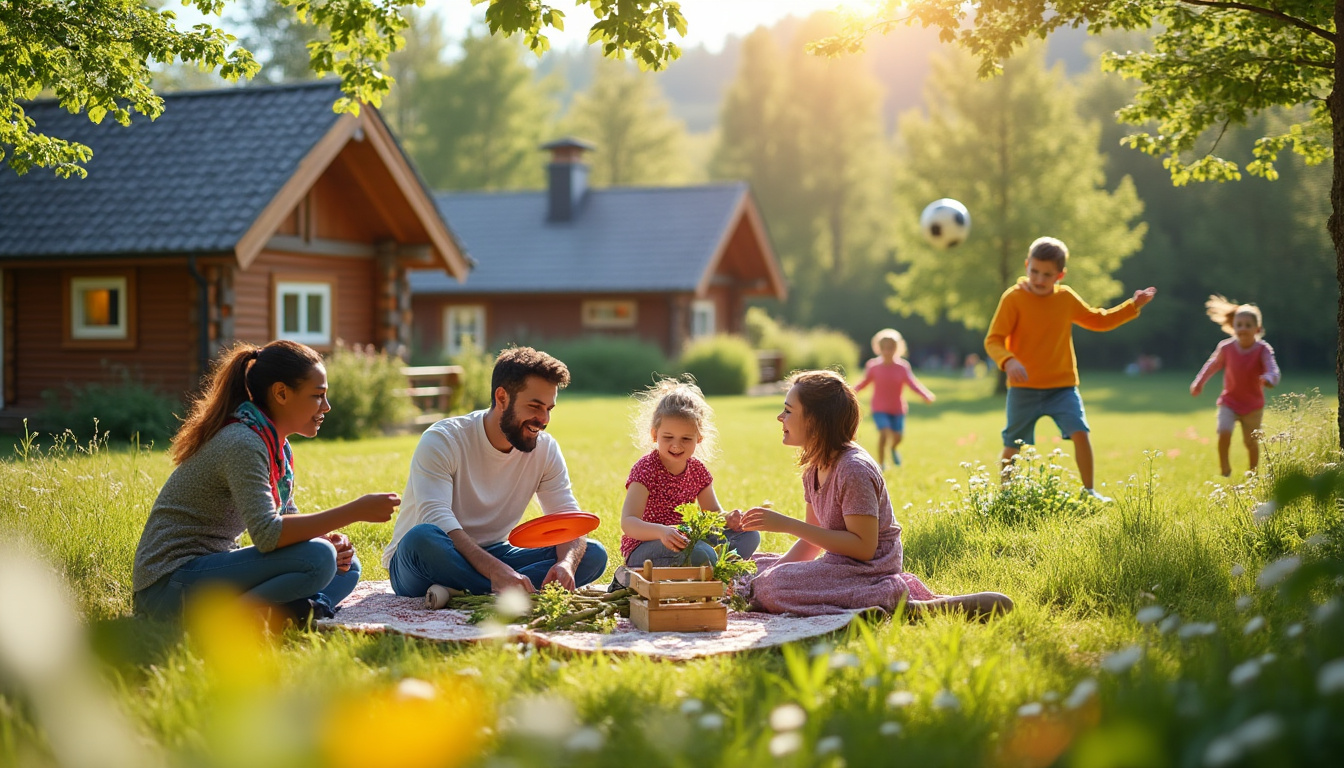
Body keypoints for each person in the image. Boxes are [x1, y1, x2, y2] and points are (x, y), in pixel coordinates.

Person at [132, 341, 400, 622]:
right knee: (319, 558)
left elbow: (286, 519)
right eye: (317, 396)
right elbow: (268, 534)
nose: (327, 406)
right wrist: (354, 511)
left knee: (347, 565)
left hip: (209, 574)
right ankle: (238, 621)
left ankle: (296, 612)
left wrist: (328, 540)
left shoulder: (277, 446)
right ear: (282, 393)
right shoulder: (243, 443)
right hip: (167, 588)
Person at [738, 370, 1013, 618]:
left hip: (870, 569)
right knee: (756, 568)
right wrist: (768, 574)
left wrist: (786, 527)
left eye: (788, 410)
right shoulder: (814, 466)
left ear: (815, 422)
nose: (780, 417)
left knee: (772, 588)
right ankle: (861, 597)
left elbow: (863, 547)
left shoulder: (853, 469)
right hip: (837, 565)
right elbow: (812, 541)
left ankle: (896, 600)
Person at [384, 347, 607, 598]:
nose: (543, 419)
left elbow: (567, 518)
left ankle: (468, 590)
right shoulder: (443, 439)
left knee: (591, 554)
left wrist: (566, 564)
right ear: (502, 398)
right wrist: (496, 571)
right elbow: (436, 518)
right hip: (425, 560)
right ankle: (500, 588)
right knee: (422, 538)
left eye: (549, 409)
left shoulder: (545, 449)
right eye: (534, 406)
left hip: (494, 553)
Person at [984, 236, 1157, 502]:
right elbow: (993, 339)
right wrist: (1009, 360)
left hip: (1062, 387)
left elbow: (1099, 320)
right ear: (1027, 264)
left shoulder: (1065, 298)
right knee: (1012, 445)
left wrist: (1132, 306)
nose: (1040, 279)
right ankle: (1005, 496)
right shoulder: (1013, 298)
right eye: (1034, 271)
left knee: (1080, 432)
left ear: (1060, 275)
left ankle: (1089, 491)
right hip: (1024, 389)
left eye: (1047, 274)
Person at [611, 378, 760, 589]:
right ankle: (712, 572)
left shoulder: (697, 471)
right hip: (646, 546)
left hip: (687, 541)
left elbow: (713, 516)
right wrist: (662, 532)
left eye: (686, 439)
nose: (676, 445)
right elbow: (629, 523)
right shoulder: (645, 469)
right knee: (702, 553)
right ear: (655, 435)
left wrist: (730, 519)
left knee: (749, 536)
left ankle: (713, 572)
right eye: (668, 437)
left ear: (699, 438)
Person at [1190, 295, 1281, 477]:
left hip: (1253, 406)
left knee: (1251, 442)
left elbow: (1273, 368)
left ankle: (1253, 473)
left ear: (1258, 329)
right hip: (1229, 402)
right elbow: (1212, 365)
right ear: (1233, 327)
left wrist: (1270, 378)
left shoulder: (1263, 349)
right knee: (1223, 431)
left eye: (1248, 325)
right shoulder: (1226, 348)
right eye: (1239, 325)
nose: (1243, 329)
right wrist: (1199, 382)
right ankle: (1225, 467)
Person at [853, 328, 935, 469]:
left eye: (890, 348)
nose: (887, 351)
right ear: (878, 348)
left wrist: (925, 394)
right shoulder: (873, 366)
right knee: (884, 433)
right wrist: (850, 391)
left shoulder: (902, 367)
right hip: (879, 408)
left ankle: (893, 449)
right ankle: (882, 463)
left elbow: (912, 383)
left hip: (897, 408)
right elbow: (864, 383)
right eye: (883, 348)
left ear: (897, 348)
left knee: (898, 437)